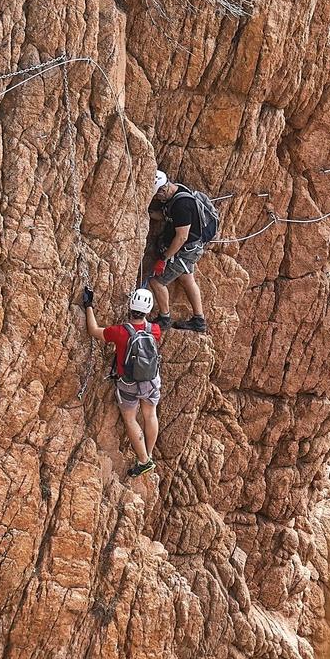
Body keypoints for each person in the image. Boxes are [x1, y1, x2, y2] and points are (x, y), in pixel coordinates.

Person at [80, 285, 162, 476]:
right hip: (151, 381)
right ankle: (148, 453)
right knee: (150, 415)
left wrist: (89, 304)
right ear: (148, 310)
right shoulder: (154, 330)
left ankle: (144, 460)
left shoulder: (120, 332)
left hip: (129, 384)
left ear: (130, 305)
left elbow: (93, 330)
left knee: (130, 418)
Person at [148, 170, 218, 333]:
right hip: (192, 248)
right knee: (187, 279)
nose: (157, 199)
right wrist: (149, 214)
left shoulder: (182, 205)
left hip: (185, 250)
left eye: (158, 196)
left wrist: (164, 259)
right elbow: (166, 215)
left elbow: (181, 237)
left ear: (163, 189)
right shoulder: (177, 190)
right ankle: (199, 321)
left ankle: (164, 318)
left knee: (156, 281)